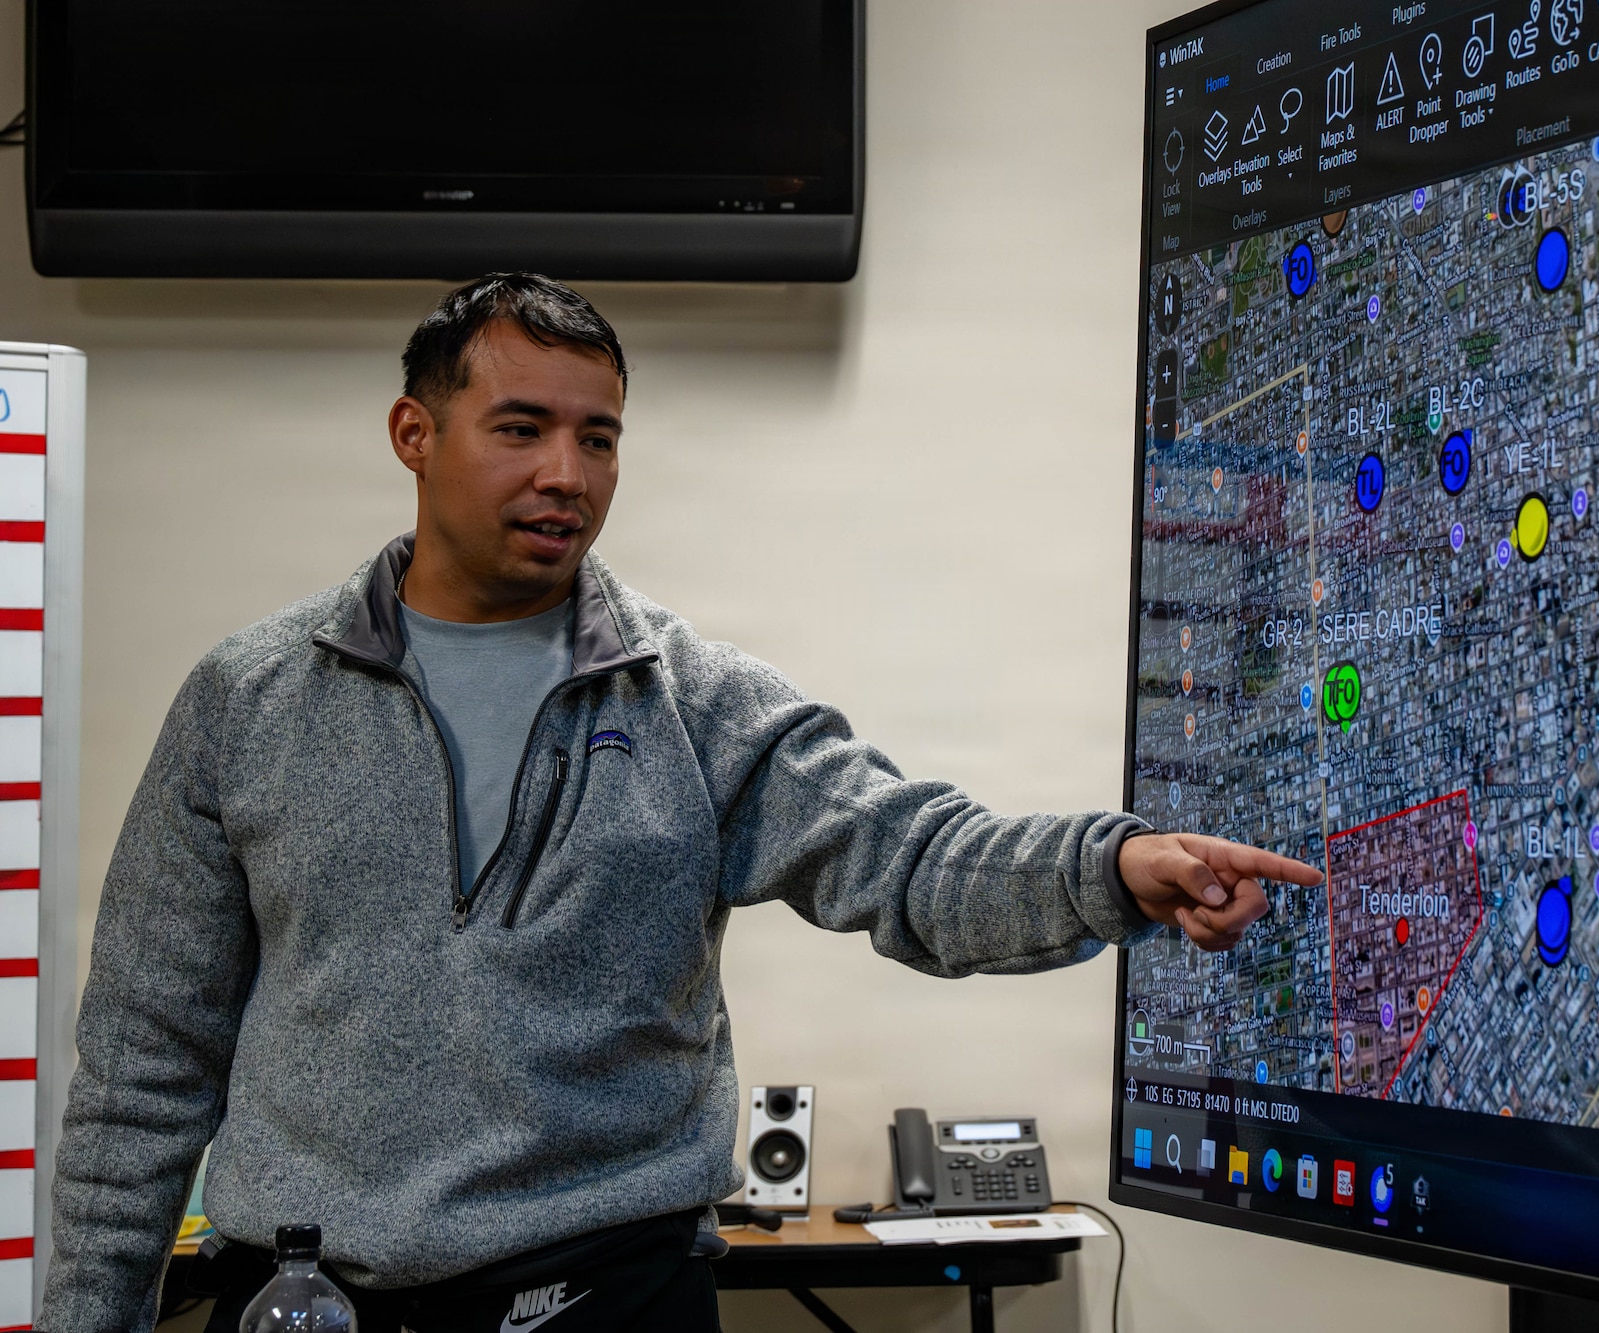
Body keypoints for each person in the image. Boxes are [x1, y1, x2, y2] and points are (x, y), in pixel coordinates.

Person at [42, 273, 1322, 1332]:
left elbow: (911, 854)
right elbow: (148, 1057)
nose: (567, 472)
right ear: (413, 435)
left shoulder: (693, 703)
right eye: (521, 427)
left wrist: (1112, 864)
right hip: (302, 1301)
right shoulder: (249, 698)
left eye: (597, 437)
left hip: (604, 1299)